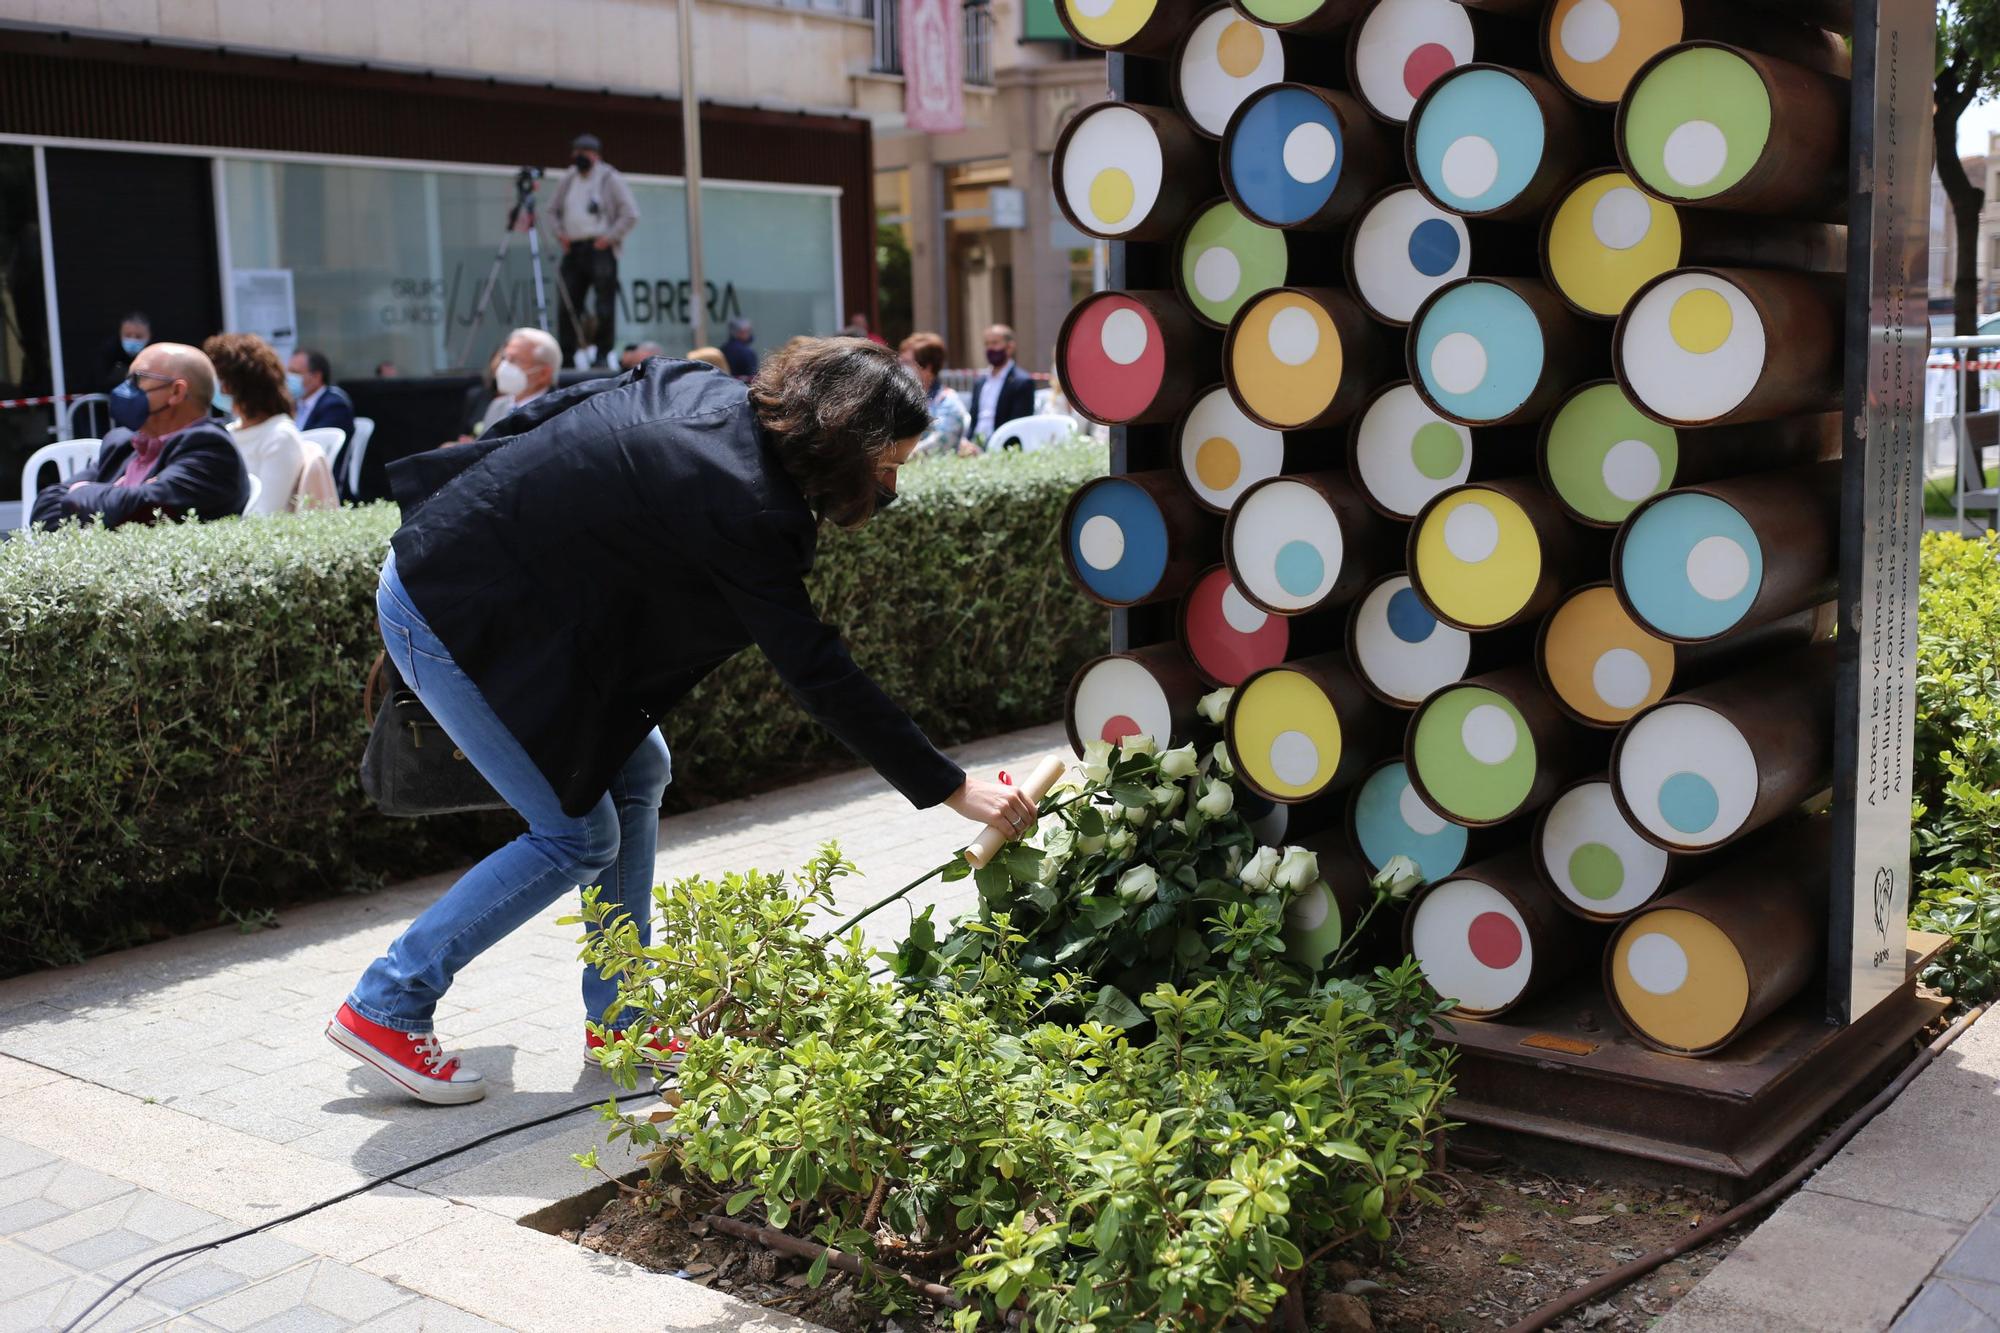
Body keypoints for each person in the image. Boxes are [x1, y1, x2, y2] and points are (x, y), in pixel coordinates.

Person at [325, 338, 1038, 1104]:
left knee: (639, 765)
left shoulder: (705, 390)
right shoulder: (749, 504)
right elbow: (819, 672)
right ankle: (388, 1001)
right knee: (576, 835)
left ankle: (623, 1019)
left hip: (499, 593)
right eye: (887, 468)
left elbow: (555, 410)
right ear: (841, 444)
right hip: (448, 611)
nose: (891, 488)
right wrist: (952, 787)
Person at [31, 343, 246, 529]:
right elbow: (46, 506)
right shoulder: (123, 445)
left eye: (138, 380)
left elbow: (140, 510)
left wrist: (79, 493)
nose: (125, 390)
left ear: (177, 392)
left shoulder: (210, 449)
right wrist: (101, 502)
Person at [205, 333, 336, 515]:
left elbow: (265, 515)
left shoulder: (279, 436)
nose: (211, 386)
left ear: (234, 384)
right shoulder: (228, 432)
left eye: (215, 377)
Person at [548, 133, 640, 369]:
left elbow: (630, 213)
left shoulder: (610, 178)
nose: (579, 158)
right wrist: (560, 234)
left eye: (584, 153)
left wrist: (609, 238)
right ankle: (566, 355)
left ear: (595, 156)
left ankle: (602, 353)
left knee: (604, 305)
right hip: (574, 247)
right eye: (576, 153)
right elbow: (551, 211)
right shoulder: (568, 179)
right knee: (568, 302)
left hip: (599, 248)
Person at [898, 332, 974, 459]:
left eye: (907, 363)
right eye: (900, 363)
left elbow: (941, 444)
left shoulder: (948, 402)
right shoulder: (902, 401)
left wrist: (900, 457)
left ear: (927, 367)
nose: (901, 368)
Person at [477, 328, 560, 434]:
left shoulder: (561, 412)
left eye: (514, 360)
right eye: (505, 358)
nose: (504, 366)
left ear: (543, 374)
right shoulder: (497, 406)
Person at [968, 324, 1035, 447]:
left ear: (1010, 347)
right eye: (987, 344)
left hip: (1001, 448)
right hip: (973, 447)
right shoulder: (980, 382)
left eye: (994, 343)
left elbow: (1018, 425)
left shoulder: (1022, 382)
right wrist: (966, 442)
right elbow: (973, 420)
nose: (990, 348)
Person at [289, 349, 357, 440]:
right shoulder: (295, 403)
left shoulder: (334, 406)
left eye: (295, 372)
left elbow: (317, 444)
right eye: (289, 372)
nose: (289, 377)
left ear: (316, 376)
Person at [95, 312, 151, 391]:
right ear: (120, 334)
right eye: (128, 335)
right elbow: (99, 382)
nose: (133, 340)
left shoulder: (155, 354)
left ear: (149, 336)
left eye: (138, 336)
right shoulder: (109, 350)